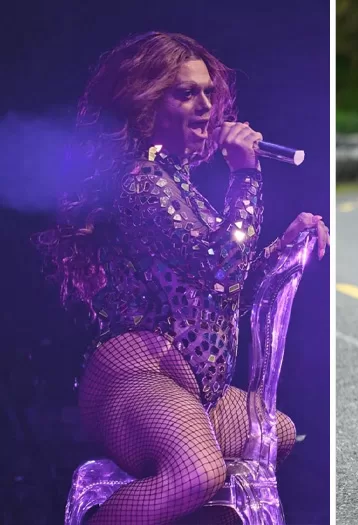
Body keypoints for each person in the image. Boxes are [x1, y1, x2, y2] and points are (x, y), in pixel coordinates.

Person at [32, 32, 328, 523]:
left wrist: (285, 245)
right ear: (145, 103)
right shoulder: (138, 184)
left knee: (274, 433)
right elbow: (221, 268)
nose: (206, 106)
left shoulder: (177, 183)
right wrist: (246, 174)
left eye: (210, 93)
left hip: (194, 390)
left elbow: (223, 290)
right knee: (196, 471)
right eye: (185, 93)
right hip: (134, 378)